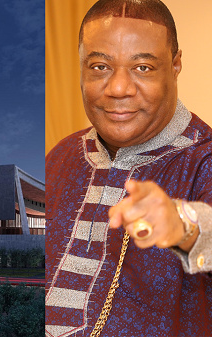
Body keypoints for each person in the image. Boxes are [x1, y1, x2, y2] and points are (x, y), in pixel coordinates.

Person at [46, 1, 212, 336]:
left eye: (143, 68)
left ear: (175, 64)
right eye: (99, 67)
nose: (118, 88)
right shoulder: (61, 154)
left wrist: (185, 226)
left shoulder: (203, 159)